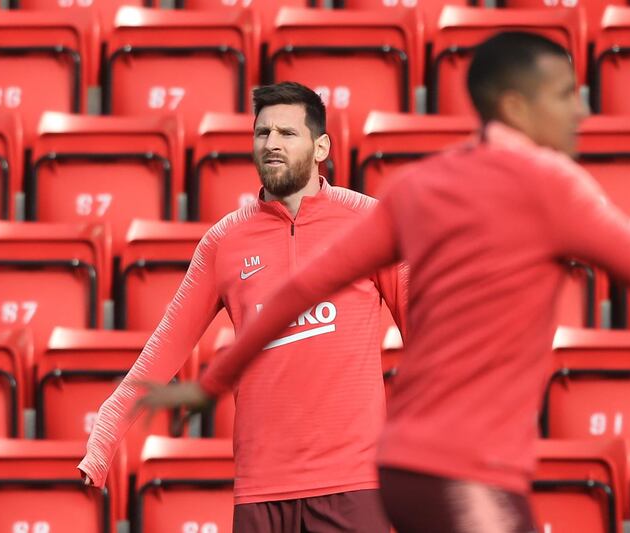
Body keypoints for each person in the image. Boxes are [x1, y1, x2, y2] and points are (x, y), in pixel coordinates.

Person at [135, 32, 630, 532]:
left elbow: (301, 289)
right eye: (566, 94)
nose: (582, 110)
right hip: (465, 468)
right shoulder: (553, 184)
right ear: (517, 105)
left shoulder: (420, 186)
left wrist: (210, 385)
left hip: (398, 470)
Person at [78, 81, 407, 533]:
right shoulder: (222, 242)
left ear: (320, 146)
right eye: (262, 133)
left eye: (287, 134)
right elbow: (162, 351)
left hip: (355, 486)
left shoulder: (372, 223)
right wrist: (105, 434)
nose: (271, 144)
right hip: (260, 490)